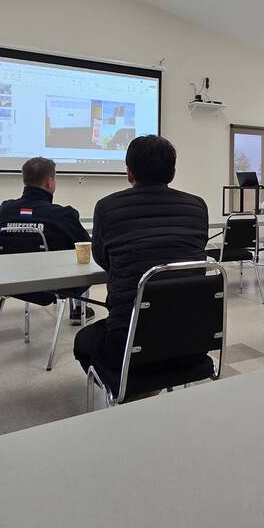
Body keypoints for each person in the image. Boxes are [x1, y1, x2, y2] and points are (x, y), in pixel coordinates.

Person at [73, 135, 209, 382]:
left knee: (83, 341)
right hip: (193, 343)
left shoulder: (106, 207)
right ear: (173, 173)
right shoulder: (197, 207)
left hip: (127, 344)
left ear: (129, 172)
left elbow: (104, 259)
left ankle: (133, 387)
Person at [0, 156, 93, 325]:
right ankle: (78, 310)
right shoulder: (62, 215)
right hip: (54, 285)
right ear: (49, 182)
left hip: (12, 282)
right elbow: (85, 246)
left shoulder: (4, 211)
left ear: (25, 180)